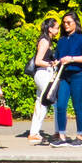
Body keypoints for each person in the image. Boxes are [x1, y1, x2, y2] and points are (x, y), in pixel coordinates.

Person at [53, 11, 82, 146]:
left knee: (77, 106)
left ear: (75, 23)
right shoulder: (62, 40)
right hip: (64, 76)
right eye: (64, 23)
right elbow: (59, 57)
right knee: (60, 105)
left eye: (69, 22)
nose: (66, 25)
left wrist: (72, 59)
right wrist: (56, 62)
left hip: (79, 76)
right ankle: (62, 136)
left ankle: (80, 136)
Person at [28, 18, 60, 146]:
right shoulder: (45, 41)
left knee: (41, 102)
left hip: (42, 74)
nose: (58, 30)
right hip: (43, 73)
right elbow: (38, 61)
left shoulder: (46, 40)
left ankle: (34, 132)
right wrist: (51, 63)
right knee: (51, 101)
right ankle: (57, 131)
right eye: (56, 28)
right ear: (50, 28)